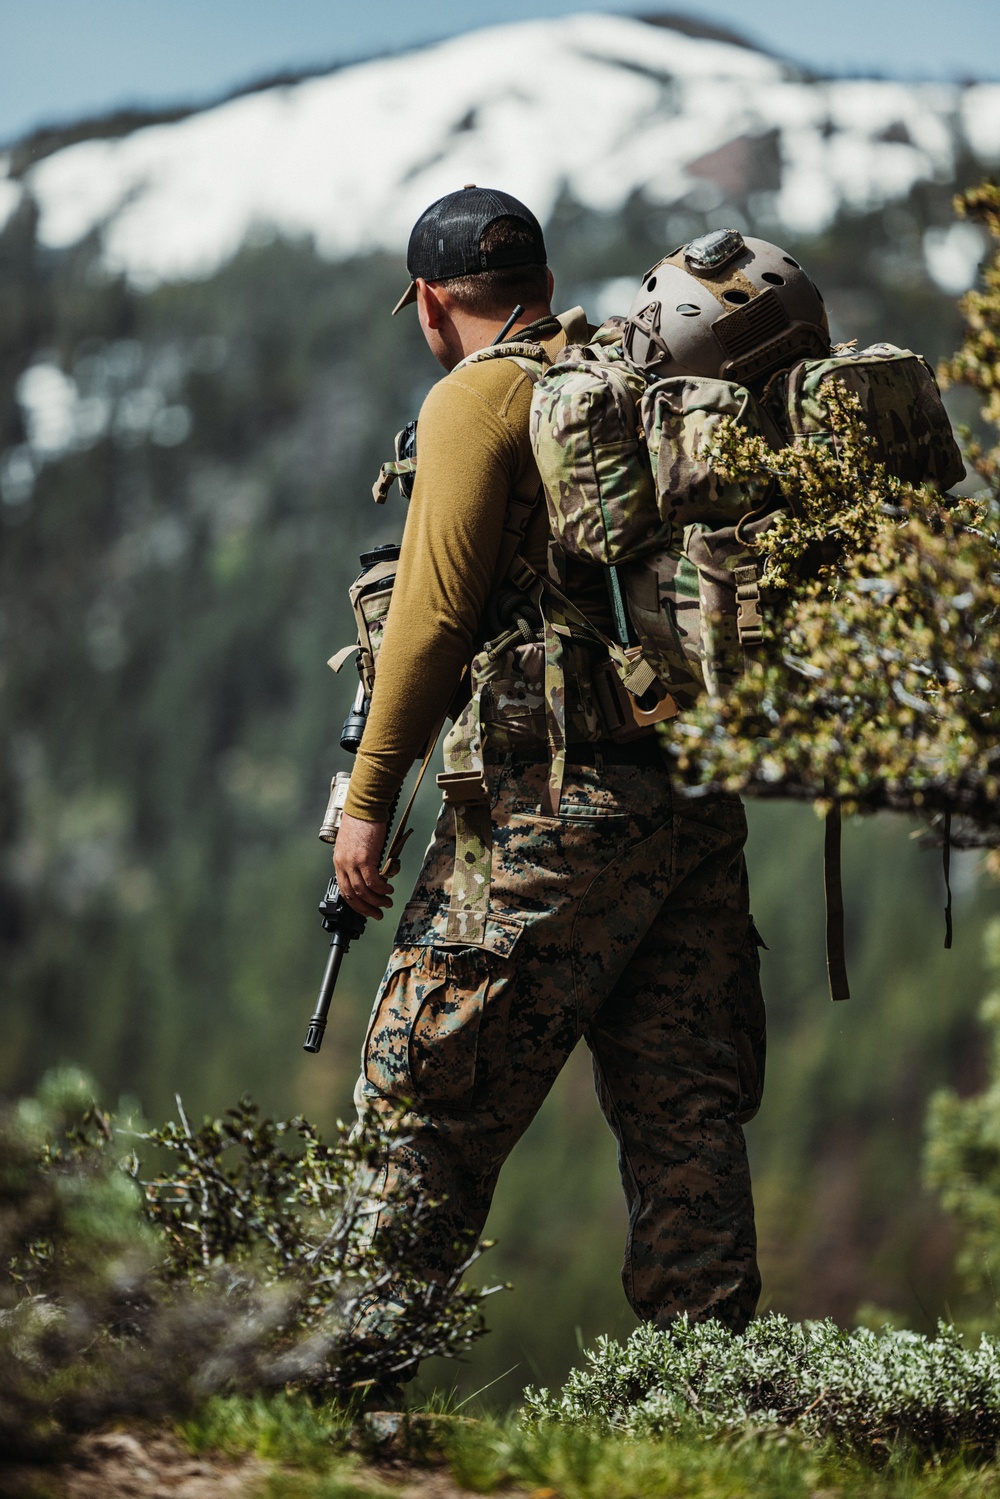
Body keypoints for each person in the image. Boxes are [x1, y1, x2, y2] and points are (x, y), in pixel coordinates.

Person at [334, 185, 766, 1336]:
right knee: (685, 1117)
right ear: (547, 290)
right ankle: (718, 1407)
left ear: (431, 303)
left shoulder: (474, 398)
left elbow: (428, 623)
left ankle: (334, 1385)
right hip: (691, 796)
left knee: (422, 1087)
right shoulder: (634, 382)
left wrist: (367, 801)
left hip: (552, 808)